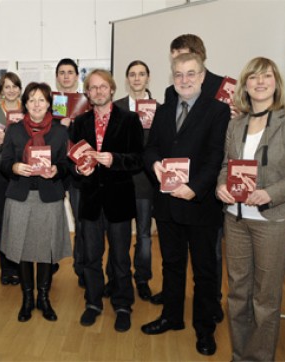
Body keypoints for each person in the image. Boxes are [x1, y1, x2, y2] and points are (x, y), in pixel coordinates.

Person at [215, 57, 285, 361]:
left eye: (267, 76)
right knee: (237, 295)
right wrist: (221, 186)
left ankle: (259, 358)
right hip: (235, 220)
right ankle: (239, 355)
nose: (260, 82)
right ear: (245, 85)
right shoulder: (236, 124)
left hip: (273, 222)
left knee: (266, 299)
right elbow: (226, 165)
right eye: (253, 77)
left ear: (277, 83)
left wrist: (269, 193)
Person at [141, 53, 229, 356]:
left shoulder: (218, 111)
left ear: (202, 76)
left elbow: (216, 156)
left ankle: (204, 330)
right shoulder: (164, 111)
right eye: (178, 74)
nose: (184, 80)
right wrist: (153, 165)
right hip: (167, 205)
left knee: (204, 272)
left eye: (191, 74)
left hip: (200, 205)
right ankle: (171, 316)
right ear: (172, 77)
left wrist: (195, 188)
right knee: (171, 265)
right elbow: (151, 147)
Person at [70, 69, 144, 332]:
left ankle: (123, 305)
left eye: (103, 87)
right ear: (87, 93)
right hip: (90, 200)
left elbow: (138, 159)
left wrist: (116, 160)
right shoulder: (79, 123)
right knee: (91, 256)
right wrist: (80, 169)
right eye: (93, 87)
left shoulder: (130, 119)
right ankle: (93, 303)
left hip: (119, 200)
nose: (98, 91)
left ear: (112, 89)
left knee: (121, 257)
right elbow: (72, 163)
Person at [0, 82, 71, 322]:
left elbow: (66, 164)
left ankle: (44, 297)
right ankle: (27, 298)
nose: (37, 105)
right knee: (23, 250)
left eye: (41, 100)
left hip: (48, 197)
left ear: (49, 103)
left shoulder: (60, 132)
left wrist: (56, 170)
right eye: (32, 100)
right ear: (25, 103)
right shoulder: (15, 130)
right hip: (20, 197)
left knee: (46, 250)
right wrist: (15, 167)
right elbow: (4, 162)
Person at [112, 60, 156, 302]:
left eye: (141, 74)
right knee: (117, 233)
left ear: (148, 78)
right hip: (118, 179)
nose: (137, 78)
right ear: (127, 79)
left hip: (145, 181)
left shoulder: (160, 108)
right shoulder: (116, 107)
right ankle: (118, 277)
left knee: (143, 235)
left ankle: (142, 278)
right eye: (132, 74)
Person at [55, 58, 84, 285]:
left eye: (70, 72)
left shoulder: (86, 102)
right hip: (54, 168)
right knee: (52, 218)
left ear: (76, 76)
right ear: (57, 77)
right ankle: (51, 262)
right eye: (62, 73)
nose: (66, 76)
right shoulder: (49, 102)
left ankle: (81, 265)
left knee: (80, 219)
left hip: (76, 169)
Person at [0, 72, 23, 286]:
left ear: (20, 89)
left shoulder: (29, 111)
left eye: (15, 86)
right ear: (1, 90)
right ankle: (6, 268)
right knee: (3, 221)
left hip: (22, 172)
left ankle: (21, 266)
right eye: (7, 86)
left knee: (21, 222)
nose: (11, 90)